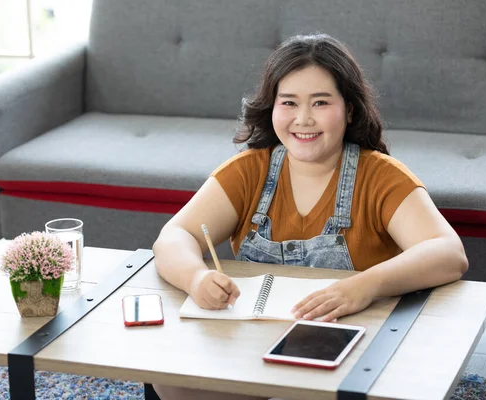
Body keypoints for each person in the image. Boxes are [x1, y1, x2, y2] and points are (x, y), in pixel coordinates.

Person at [151, 33, 468, 400]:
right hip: (254, 348)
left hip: (351, 353)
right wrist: (196, 277)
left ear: (349, 110)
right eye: (289, 102)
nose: (303, 119)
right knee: (169, 381)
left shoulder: (381, 176)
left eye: (320, 102)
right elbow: (174, 236)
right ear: (272, 107)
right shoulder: (248, 171)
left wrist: (363, 286)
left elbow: (448, 253)